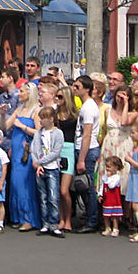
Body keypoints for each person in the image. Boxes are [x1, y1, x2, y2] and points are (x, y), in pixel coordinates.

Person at [6, 82, 40, 231]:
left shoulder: (36, 111)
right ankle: (18, 216)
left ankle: (28, 218)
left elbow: (39, 132)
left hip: (26, 150)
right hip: (15, 149)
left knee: (23, 183)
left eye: (21, 91)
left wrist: (23, 126)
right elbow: (5, 126)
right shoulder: (19, 109)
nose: (19, 94)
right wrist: (2, 114)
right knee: (14, 182)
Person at [99, 86, 138, 205]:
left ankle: (125, 211)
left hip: (124, 145)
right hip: (109, 145)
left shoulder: (133, 113)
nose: (120, 99)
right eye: (118, 96)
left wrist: (126, 104)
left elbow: (124, 122)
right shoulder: (108, 110)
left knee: (124, 178)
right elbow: (105, 130)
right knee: (108, 176)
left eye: (124, 96)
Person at [72, 75, 101, 233]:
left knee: (87, 186)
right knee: (83, 186)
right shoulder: (86, 105)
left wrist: (81, 159)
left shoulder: (89, 107)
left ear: (87, 89)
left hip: (87, 150)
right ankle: (90, 217)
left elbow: (87, 134)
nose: (74, 89)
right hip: (83, 148)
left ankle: (92, 221)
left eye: (78, 87)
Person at [31, 106, 65, 238]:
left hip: (52, 168)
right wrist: (37, 164)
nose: (40, 121)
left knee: (53, 197)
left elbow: (56, 152)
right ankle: (45, 224)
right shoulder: (38, 134)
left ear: (51, 119)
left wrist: (41, 161)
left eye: (43, 118)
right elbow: (34, 150)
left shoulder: (58, 133)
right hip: (40, 169)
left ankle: (54, 224)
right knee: (43, 197)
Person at [55, 86, 79, 232]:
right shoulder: (55, 114)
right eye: (57, 96)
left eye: (60, 97)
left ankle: (68, 219)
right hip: (56, 150)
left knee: (65, 190)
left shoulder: (75, 116)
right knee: (58, 190)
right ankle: (61, 219)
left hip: (69, 149)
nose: (57, 99)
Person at [99, 156, 124, 237]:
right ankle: (107, 228)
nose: (107, 169)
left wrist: (108, 178)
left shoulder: (117, 177)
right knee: (106, 215)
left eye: (109, 167)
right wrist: (100, 194)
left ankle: (115, 228)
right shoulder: (105, 177)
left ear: (116, 167)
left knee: (114, 215)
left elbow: (111, 185)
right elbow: (102, 186)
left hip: (114, 200)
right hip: (107, 199)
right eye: (106, 166)